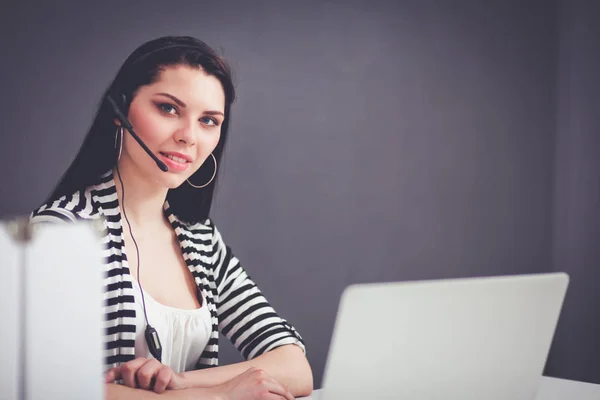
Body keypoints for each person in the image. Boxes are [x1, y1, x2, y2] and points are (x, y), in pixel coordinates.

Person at [29, 35, 313, 400]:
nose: (188, 136)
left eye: (208, 120)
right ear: (120, 111)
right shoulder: (59, 233)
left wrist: (181, 382)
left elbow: (293, 365)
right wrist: (220, 397)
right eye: (168, 109)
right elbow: (43, 386)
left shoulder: (200, 241)